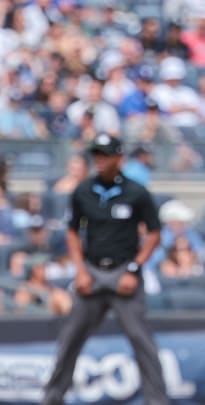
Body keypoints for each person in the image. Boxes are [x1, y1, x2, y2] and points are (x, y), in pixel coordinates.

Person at [41, 134, 168, 405]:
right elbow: (73, 232)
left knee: (140, 339)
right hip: (92, 272)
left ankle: (157, 400)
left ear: (119, 158)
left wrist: (134, 268)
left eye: (105, 155)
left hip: (124, 272)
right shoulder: (83, 191)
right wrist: (80, 270)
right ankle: (52, 398)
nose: (99, 160)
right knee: (70, 339)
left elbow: (155, 233)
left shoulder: (136, 192)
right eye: (96, 155)